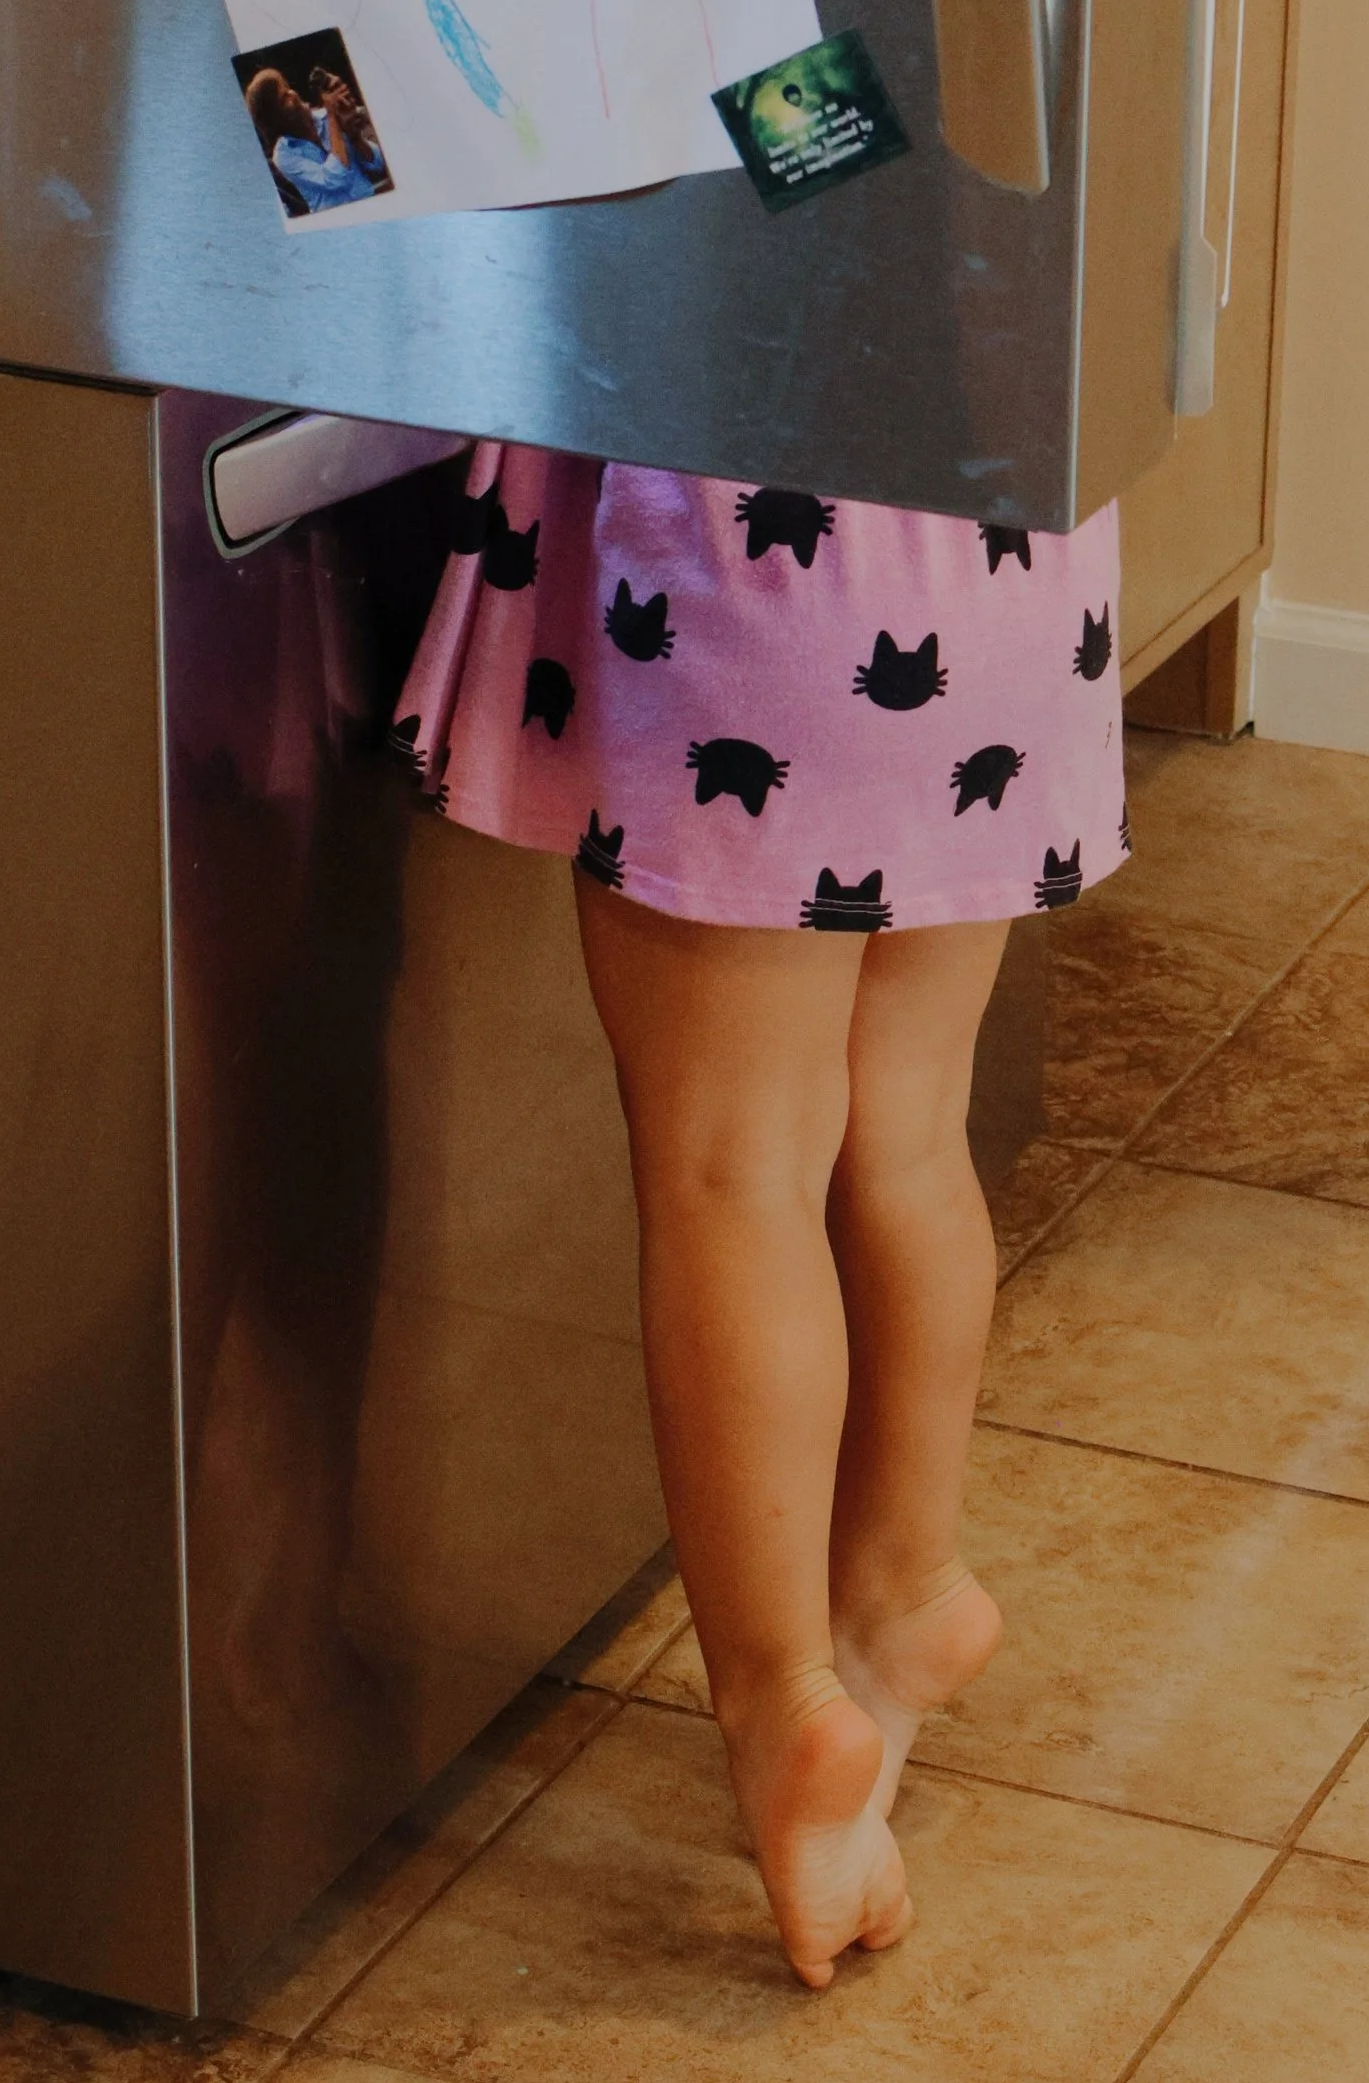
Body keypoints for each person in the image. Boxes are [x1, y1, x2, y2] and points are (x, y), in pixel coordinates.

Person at [397, 447, 1123, 1988]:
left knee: (735, 1166)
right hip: (1008, 553)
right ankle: (906, 1585)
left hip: (766, 587)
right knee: (908, 1130)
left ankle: (783, 1700)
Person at [243, 63, 388, 212]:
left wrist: (355, 137)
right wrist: (332, 117)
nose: (292, 94)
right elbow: (333, 180)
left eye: (287, 88)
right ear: (274, 119)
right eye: (284, 98)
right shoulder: (284, 156)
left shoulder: (327, 117)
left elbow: (377, 163)